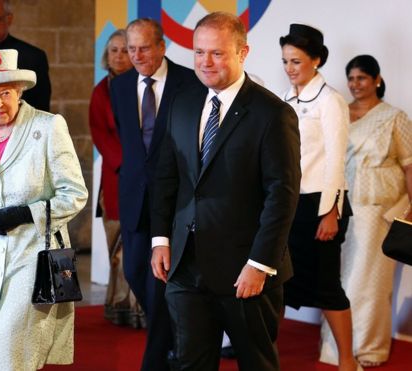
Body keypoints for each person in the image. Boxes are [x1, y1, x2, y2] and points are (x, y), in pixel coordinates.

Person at [151, 12, 301, 371]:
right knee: (189, 362)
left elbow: (282, 195)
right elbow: (166, 176)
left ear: (242, 52)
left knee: (256, 364)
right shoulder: (182, 102)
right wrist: (161, 239)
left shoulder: (272, 113)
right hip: (185, 267)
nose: (205, 62)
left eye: (217, 53)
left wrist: (260, 264)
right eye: (199, 52)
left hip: (246, 270)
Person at [0, 47, 87, 370]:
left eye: (5, 93)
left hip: (32, 255)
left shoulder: (49, 127)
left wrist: (26, 213)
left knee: (6, 344)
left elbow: (75, 193)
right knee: (8, 349)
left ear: (20, 91)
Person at [109, 18, 202, 370]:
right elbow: (128, 142)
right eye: (130, 49)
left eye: (143, 48)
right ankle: (176, 338)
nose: (136, 55)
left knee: (160, 283)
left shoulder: (189, 83)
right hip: (134, 196)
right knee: (134, 272)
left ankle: (157, 358)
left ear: (162, 46)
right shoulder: (120, 87)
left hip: (175, 200)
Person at [319, 55, 412, 368]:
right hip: (340, 207)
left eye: (362, 78)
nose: (355, 84)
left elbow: (410, 166)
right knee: (339, 280)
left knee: (368, 283)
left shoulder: (394, 117)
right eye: (351, 78)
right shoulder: (340, 112)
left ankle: (368, 350)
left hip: (378, 209)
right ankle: (338, 349)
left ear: (377, 79)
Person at [279, 24, 360, 371]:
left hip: (321, 205)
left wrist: (330, 213)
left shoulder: (331, 101)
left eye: (296, 61)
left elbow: (336, 160)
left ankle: (347, 361)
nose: (289, 69)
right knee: (277, 284)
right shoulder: (286, 98)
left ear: (316, 59)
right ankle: (266, 355)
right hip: (288, 205)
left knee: (328, 289)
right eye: (285, 61)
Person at [88, 29, 146, 328]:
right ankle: (120, 303)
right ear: (106, 55)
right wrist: (128, 163)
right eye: (114, 50)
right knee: (118, 252)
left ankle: (143, 307)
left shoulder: (144, 86)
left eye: (126, 50)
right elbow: (100, 133)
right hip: (117, 177)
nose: (120, 56)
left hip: (146, 178)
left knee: (142, 247)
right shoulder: (102, 91)